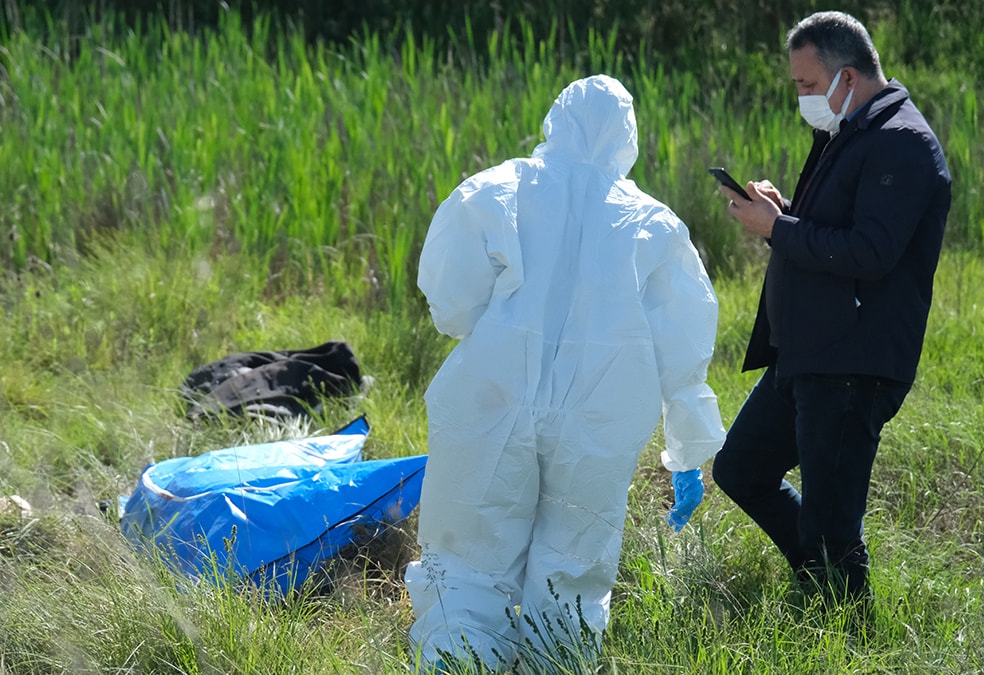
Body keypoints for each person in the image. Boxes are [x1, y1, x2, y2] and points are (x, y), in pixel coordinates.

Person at [404, 75, 726, 672]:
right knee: (572, 571)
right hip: (598, 417)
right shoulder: (653, 223)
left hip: (490, 399)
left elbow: (451, 304)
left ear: (555, 118)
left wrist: (498, 318)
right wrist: (687, 449)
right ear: (627, 138)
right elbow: (683, 347)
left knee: (469, 558)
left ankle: (458, 661)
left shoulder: (498, 188)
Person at [710, 11, 951, 603]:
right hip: (807, 352)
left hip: (852, 363)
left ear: (848, 76)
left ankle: (844, 623)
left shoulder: (904, 144)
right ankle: (821, 580)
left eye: (806, 85)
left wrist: (777, 229)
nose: (802, 97)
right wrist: (781, 211)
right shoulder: (850, 131)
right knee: (739, 468)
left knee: (832, 522)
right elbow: (833, 229)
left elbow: (870, 252)